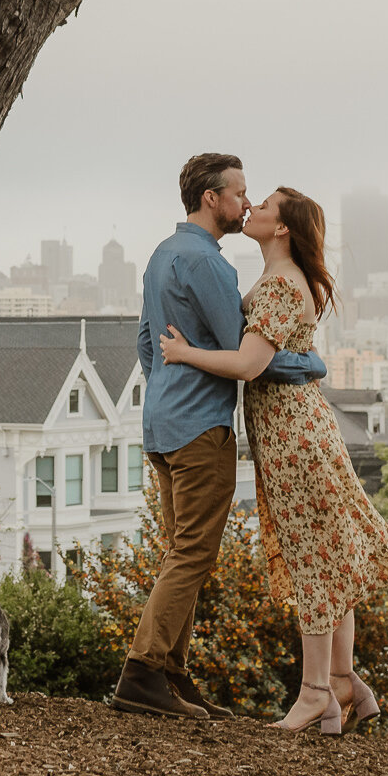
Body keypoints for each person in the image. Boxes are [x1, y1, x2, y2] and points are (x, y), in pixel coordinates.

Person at [157, 186, 388, 733]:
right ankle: (344, 682)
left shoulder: (279, 284)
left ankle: (316, 691)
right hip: (298, 433)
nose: (252, 207)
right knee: (327, 558)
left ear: (282, 229)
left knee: (312, 562)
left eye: (266, 205)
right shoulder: (283, 279)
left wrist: (183, 354)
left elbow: (250, 364)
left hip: (293, 439)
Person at [110, 154, 333, 721]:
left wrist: (170, 380)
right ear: (213, 198)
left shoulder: (162, 255)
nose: (244, 202)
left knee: (177, 552)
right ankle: (142, 672)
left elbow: (146, 342)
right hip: (200, 427)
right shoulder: (209, 264)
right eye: (239, 193)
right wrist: (308, 365)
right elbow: (245, 353)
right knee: (192, 553)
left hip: (160, 423)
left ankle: (171, 677)